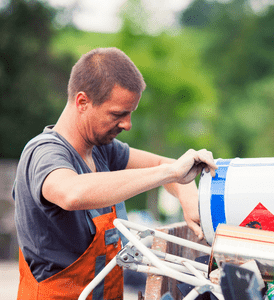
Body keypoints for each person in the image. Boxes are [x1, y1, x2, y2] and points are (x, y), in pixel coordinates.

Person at [13, 47, 217, 299]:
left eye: (130, 113)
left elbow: (168, 166)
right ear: (82, 102)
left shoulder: (103, 150)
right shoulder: (44, 153)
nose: (127, 125)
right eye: (118, 114)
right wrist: (170, 173)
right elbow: (72, 192)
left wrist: (189, 202)